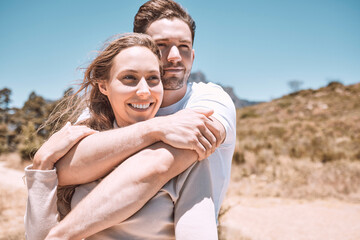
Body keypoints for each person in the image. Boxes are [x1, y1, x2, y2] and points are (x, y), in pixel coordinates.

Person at [45, 0, 236, 238]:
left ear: (193, 55)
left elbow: (158, 164)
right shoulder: (107, 107)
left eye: (184, 46)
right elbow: (63, 171)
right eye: (162, 45)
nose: (175, 56)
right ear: (143, 48)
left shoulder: (208, 100)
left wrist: (62, 235)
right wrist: (156, 128)